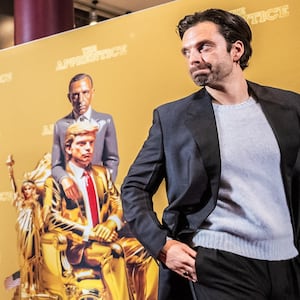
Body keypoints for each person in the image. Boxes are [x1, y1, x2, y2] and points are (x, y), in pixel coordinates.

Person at [121, 8, 300, 300]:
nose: (193, 58)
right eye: (187, 51)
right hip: (218, 262)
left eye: (204, 47)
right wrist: (162, 244)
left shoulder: (290, 108)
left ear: (236, 50)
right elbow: (134, 188)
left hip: (288, 261)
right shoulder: (173, 118)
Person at [45, 121, 157, 299]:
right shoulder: (57, 181)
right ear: (68, 148)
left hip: (108, 237)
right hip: (80, 246)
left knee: (147, 249)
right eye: (82, 144)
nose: (88, 148)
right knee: (113, 252)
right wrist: (90, 233)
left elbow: (119, 204)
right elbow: (52, 219)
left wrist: (110, 224)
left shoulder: (102, 174)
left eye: (91, 143)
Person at [52, 73, 119, 202]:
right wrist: (64, 179)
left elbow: (112, 160)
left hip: (99, 194)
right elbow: (56, 165)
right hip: (71, 196)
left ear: (92, 93)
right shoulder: (60, 126)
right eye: (75, 95)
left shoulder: (105, 121)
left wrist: (104, 186)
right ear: (69, 97)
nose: (80, 99)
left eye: (85, 92)